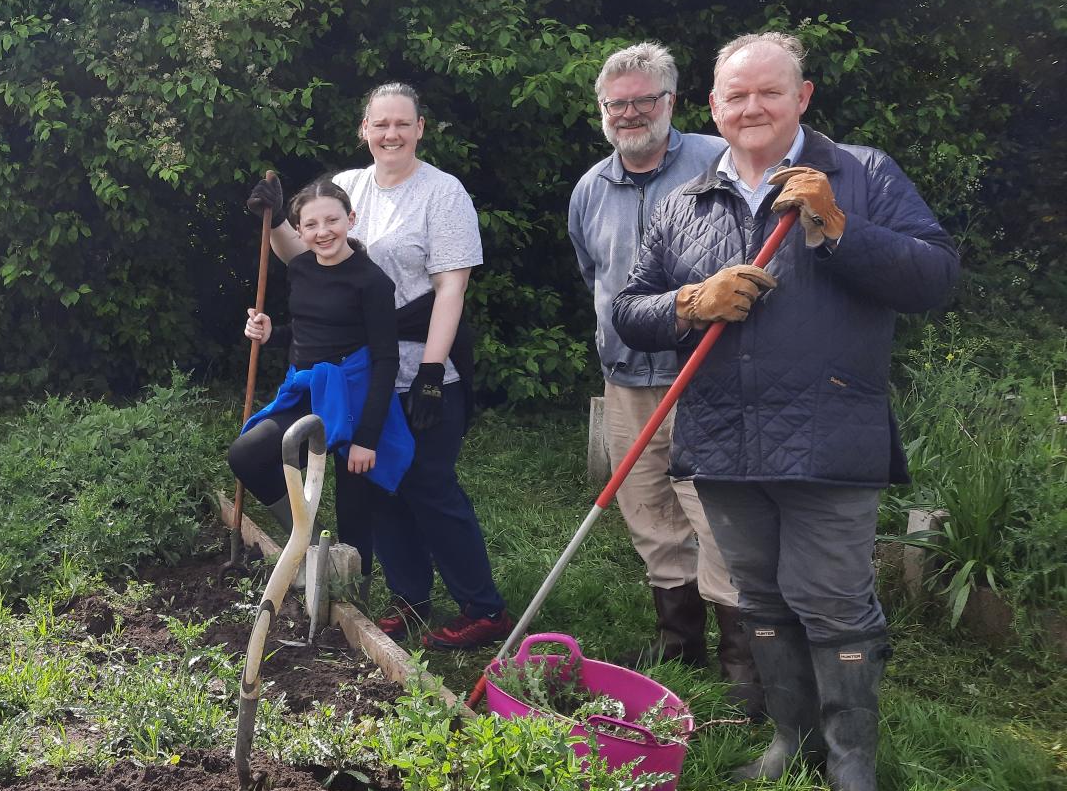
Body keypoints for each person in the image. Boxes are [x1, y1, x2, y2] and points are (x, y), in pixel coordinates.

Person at [613, 32, 958, 791]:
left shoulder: (861, 175)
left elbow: (936, 276)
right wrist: (689, 303)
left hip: (828, 434)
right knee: (761, 598)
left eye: (770, 91)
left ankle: (852, 767)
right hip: (724, 439)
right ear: (713, 107)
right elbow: (629, 310)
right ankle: (788, 739)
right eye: (736, 95)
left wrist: (837, 227)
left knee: (833, 603)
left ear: (802, 98)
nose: (752, 107)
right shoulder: (686, 203)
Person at [249, 83, 510, 651]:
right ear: (364, 129)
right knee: (382, 487)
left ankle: (483, 607)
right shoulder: (349, 186)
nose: (391, 134)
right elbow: (310, 262)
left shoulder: (442, 193)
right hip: (364, 376)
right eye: (380, 124)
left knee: (429, 484)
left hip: (422, 360)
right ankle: (410, 598)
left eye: (402, 123)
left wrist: (432, 373)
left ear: (420, 128)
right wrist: (275, 220)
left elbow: (451, 289)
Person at [567, 42, 760, 709]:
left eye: (643, 101)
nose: (629, 114)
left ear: (671, 101)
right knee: (648, 509)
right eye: (615, 104)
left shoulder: (718, 162)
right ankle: (679, 642)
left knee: (716, 513)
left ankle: (744, 664)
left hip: (708, 376)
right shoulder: (590, 189)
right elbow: (595, 277)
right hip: (626, 377)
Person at [227, 177, 414, 551]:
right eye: (311, 224)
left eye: (332, 220)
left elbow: (385, 360)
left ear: (351, 219)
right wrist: (271, 333)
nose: (323, 232)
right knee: (246, 456)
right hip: (307, 392)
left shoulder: (372, 282)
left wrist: (366, 439)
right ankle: (312, 546)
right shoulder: (301, 268)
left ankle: (354, 578)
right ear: (299, 230)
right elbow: (309, 329)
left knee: (355, 505)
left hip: (354, 397)